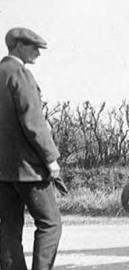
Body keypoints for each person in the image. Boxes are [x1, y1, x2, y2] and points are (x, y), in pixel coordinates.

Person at [0, 27, 62, 270]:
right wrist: (51, 158)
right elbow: (33, 121)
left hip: (1, 171)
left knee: (8, 226)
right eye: (33, 47)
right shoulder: (20, 75)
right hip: (28, 169)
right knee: (50, 223)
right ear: (17, 46)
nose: (38, 52)